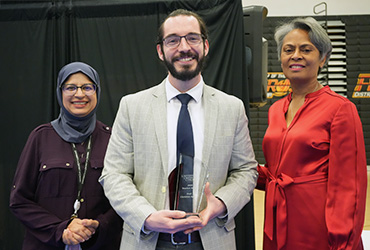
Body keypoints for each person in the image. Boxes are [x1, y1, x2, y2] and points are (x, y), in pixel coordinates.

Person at [99, 9, 258, 250]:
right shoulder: (132, 106)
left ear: (205, 45)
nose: (184, 47)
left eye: (192, 38)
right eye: (173, 40)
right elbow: (113, 174)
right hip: (148, 239)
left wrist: (222, 204)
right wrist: (146, 217)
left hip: (211, 239)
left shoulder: (231, 108)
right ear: (160, 51)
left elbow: (246, 170)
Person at [257, 17, 367, 250]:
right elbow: (276, 172)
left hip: (318, 227)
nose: (296, 55)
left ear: (322, 58)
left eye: (306, 49)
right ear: (281, 58)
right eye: (289, 50)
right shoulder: (276, 109)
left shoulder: (340, 109)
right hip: (277, 221)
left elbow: (349, 186)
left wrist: (342, 242)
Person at [9, 62, 123, 250]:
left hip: (100, 244)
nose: (79, 94)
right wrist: (61, 230)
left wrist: (99, 226)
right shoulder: (40, 137)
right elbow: (19, 200)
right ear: (60, 92)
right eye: (70, 87)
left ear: (97, 91)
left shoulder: (113, 139)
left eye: (87, 87)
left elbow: (125, 198)